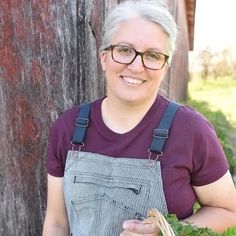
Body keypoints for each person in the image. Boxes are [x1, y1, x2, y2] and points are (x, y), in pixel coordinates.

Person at [42, 0, 236, 235]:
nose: (136, 66)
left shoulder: (191, 130)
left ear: (165, 67)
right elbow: (57, 222)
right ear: (104, 57)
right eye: (124, 50)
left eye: (153, 55)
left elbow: (228, 210)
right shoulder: (68, 128)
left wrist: (169, 230)